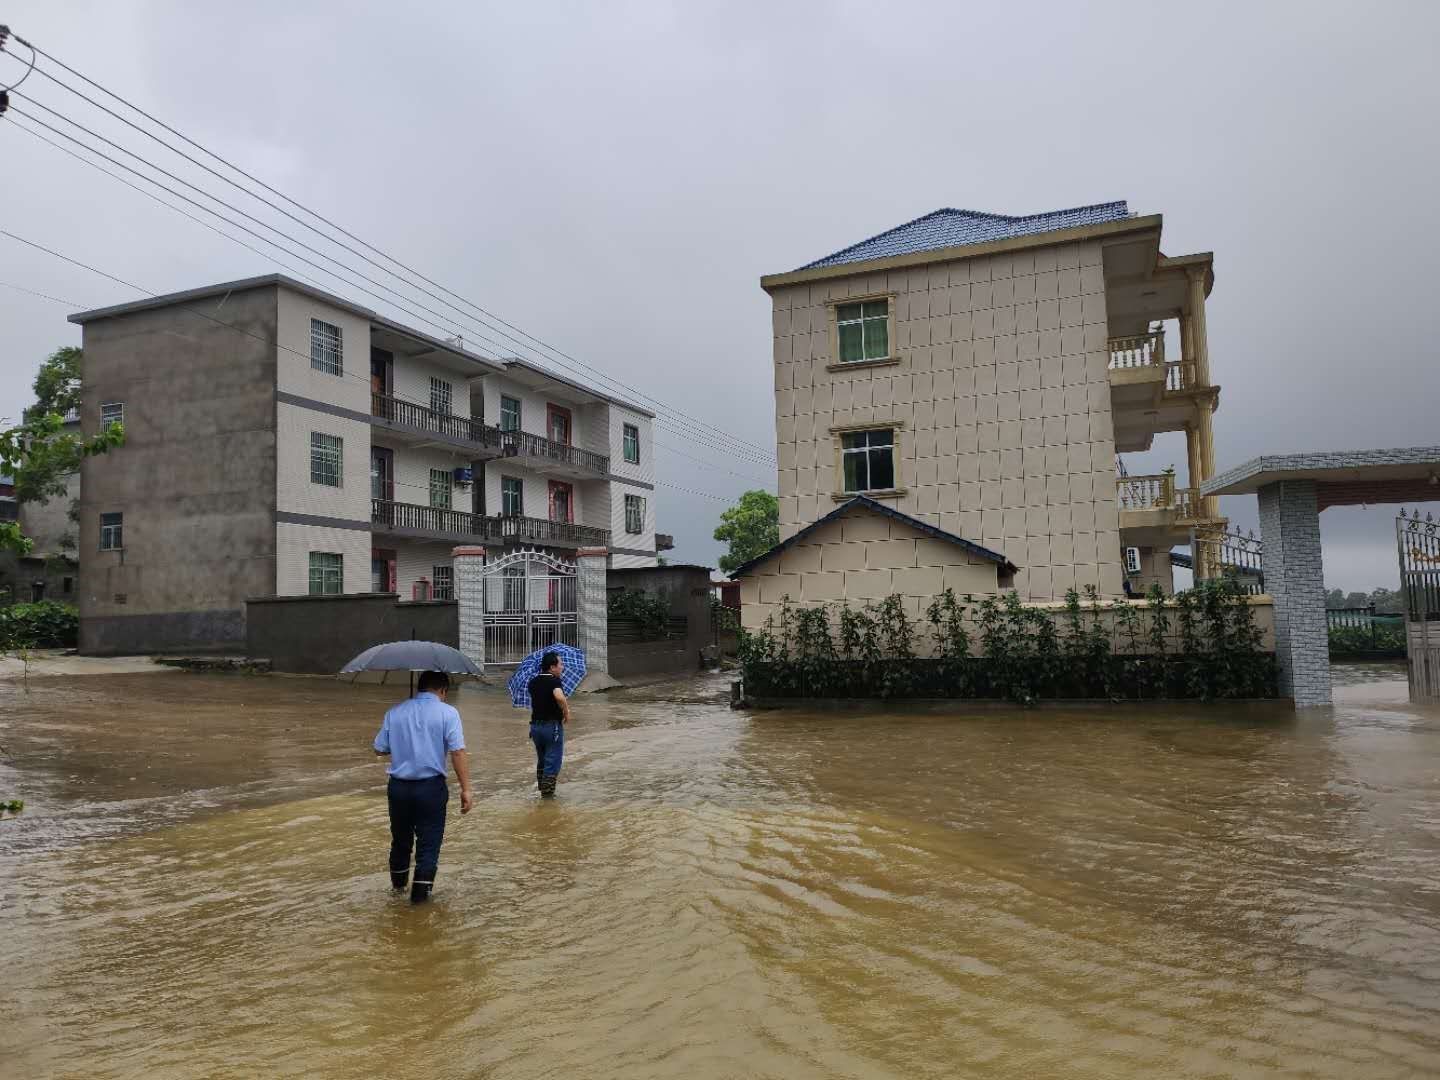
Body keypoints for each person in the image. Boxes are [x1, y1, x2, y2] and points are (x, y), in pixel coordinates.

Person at [373, 670, 472, 903]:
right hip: (430, 788)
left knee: (400, 842)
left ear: (419, 687)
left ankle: (397, 893)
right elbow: (457, 751)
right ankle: (419, 905)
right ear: (443, 690)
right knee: (428, 845)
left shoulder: (394, 712)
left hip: (398, 789)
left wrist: (403, 738)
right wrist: (466, 789)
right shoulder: (448, 713)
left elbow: (379, 748)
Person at [527, 652, 571, 798]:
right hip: (552, 727)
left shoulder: (532, 682)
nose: (562, 667)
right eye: (561, 664)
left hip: (535, 728)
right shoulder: (554, 681)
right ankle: (547, 798)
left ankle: (542, 790)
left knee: (542, 760)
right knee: (553, 761)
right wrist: (566, 711)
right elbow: (559, 696)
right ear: (552, 667)